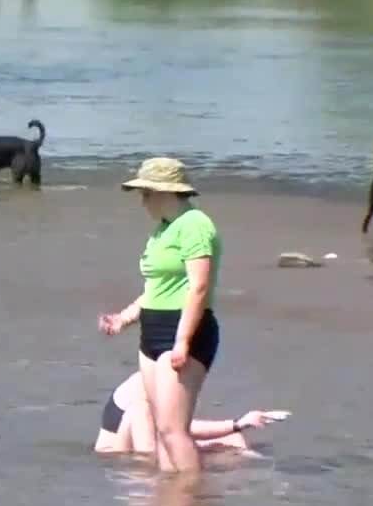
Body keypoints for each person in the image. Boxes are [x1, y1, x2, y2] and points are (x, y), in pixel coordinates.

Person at [98, 156, 222, 474]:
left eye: (146, 193)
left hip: (184, 330)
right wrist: (124, 318)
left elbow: (199, 287)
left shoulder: (194, 224)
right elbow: (157, 290)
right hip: (151, 332)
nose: (142, 201)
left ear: (165, 191)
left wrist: (182, 341)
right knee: (161, 431)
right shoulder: (162, 230)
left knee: (172, 429)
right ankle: (171, 505)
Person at [94, 371, 290, 454]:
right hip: (116, 454)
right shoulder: (154, 383)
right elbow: (179, 428)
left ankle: (258, 469)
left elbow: (180, 427)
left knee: (233, 439)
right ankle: (155, 479)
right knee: (140, 411)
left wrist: (238, 427)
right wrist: (240, 422)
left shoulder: (173, 378)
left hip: (153, 437)